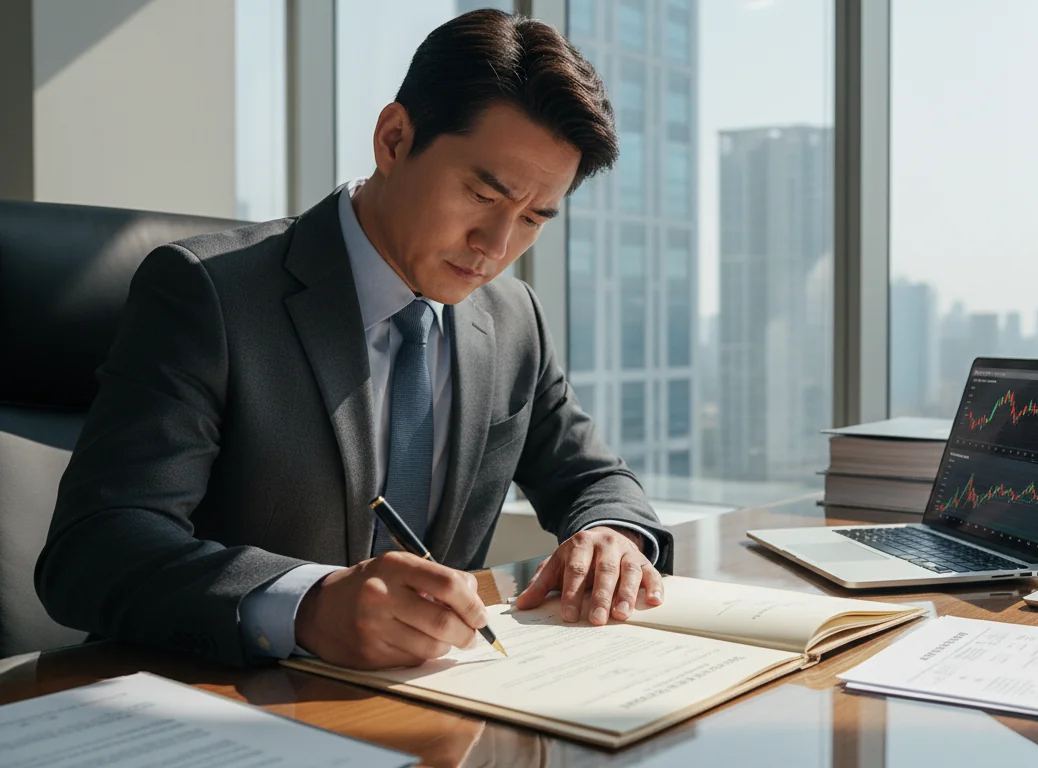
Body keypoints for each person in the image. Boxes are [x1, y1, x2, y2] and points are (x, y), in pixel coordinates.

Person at [35, 9, 671, 671]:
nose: (497, 246)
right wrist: (307, 605)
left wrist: (612, 533)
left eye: (534, 218)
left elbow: (592, 477)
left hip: (428, 708)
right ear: (394, 140)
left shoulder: (513, 319)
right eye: (482, 193)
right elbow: (94, 551)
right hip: (217, 697)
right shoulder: (209, 296)